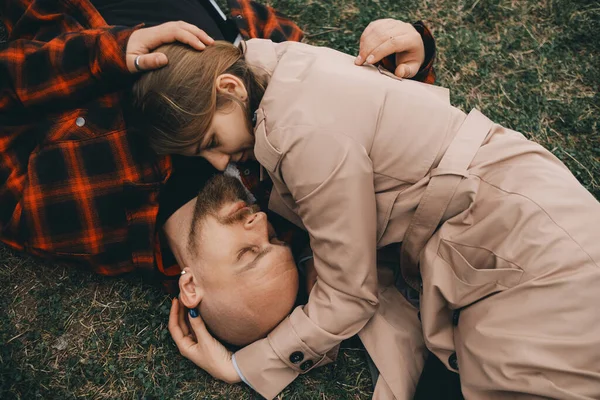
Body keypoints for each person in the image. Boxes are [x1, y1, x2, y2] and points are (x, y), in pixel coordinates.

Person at [132, 38, 600, 399]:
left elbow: (347, 295)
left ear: (229, 88)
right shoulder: (279, 65)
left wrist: (242, 367)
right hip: (502, 226)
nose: (219, 164)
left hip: (521, 241)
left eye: (212, 141)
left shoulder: (299, 134)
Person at [0, 0, 435, 288]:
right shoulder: (279, 182)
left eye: (248, 254)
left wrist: (107, 55)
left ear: (191, 285)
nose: (262, 227)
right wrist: (406, 59)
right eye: (278, 244)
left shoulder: (70, 215)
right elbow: (359, 108)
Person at [164, 173, 427, 399]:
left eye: (247, 253)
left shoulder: (127, 200)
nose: (262, 221)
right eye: (273, 238)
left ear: (189, 286)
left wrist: (237, 367)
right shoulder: (289, 194)